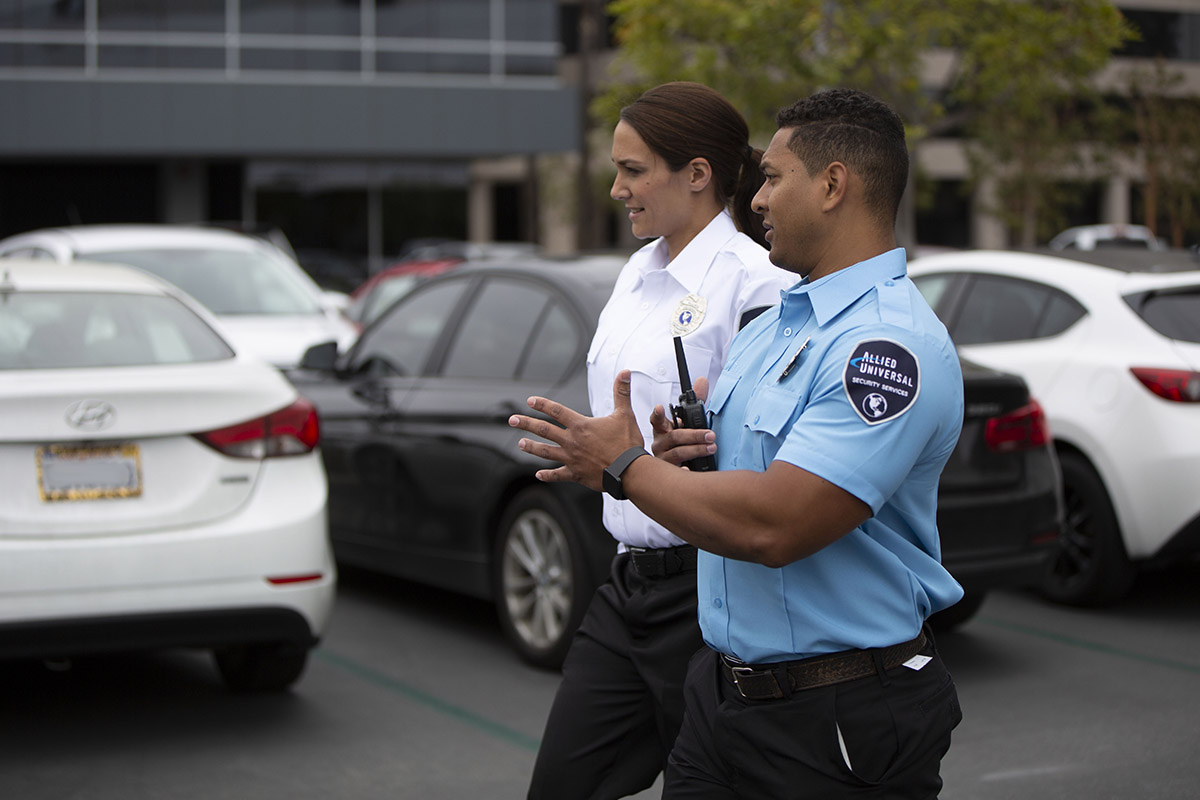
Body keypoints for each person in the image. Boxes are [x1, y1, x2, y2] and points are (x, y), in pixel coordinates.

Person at [510, 87, 965, 799]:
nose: (754, 200)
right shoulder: (779, 325)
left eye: (774, 179)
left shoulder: (885, 347)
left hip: (833, 714)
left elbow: (776, 523)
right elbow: (736, 475)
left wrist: (625, 467)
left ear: (833, 185)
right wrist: (671, 461)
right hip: (723, 695)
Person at [526, 82, 794, 800]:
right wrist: (600, 458)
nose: (616, 189)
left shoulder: (756, 284)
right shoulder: (636, 273)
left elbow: (769, 457)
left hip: (709, 596)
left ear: (698, 174)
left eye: (633, 170)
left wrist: (671, 455)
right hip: (626, 587)